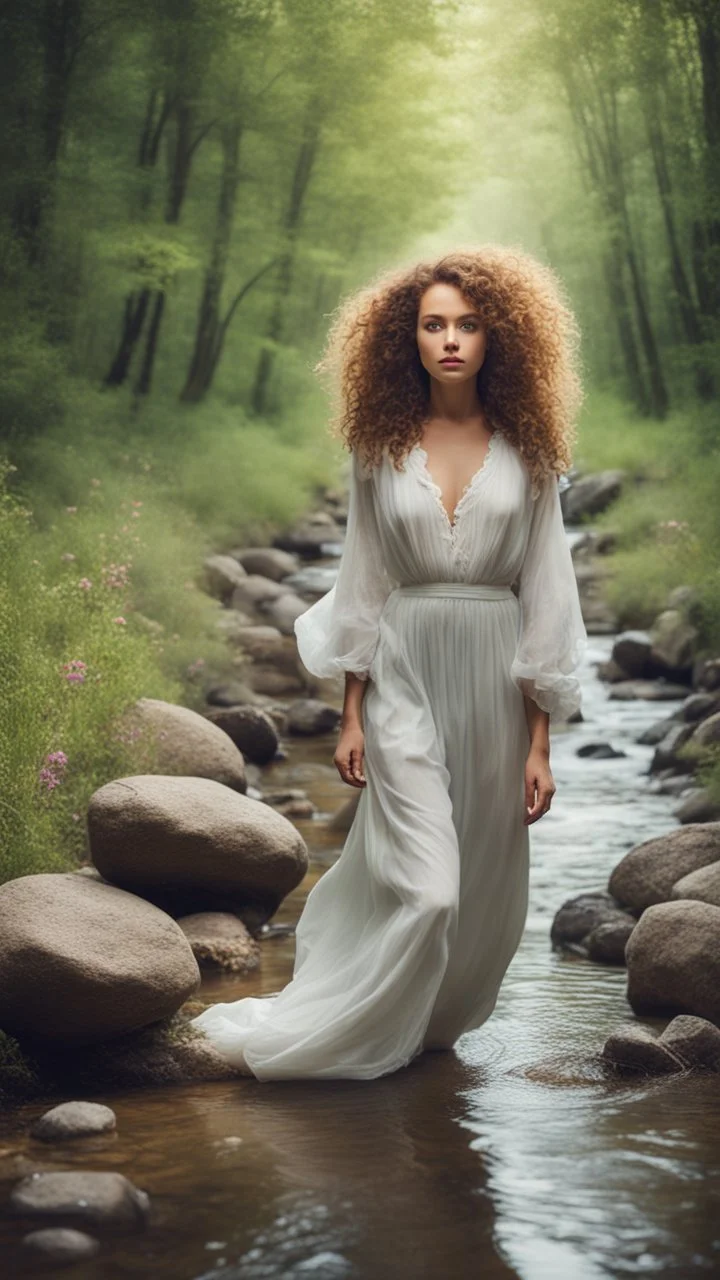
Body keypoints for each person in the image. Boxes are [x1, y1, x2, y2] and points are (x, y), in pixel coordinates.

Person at [190, 244, 587, 1081]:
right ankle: (352, 1030)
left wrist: (540, 740)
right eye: (433, 324)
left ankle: (426, 1024)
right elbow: (363, 582)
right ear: (405, 339)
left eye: (467, 324)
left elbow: (549, 591)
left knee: (480, 883)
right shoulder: (380, 445)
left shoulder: (533, 447)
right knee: (430, 886)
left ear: (497, 336)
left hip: (493, 675)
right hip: (404, 669)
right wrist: (351, 711)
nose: (450, 340)